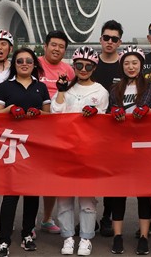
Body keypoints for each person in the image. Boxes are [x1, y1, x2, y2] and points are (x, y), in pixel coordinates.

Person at [0, 47, 52, 257]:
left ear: (34, 64)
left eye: (28, 61)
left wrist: (39, 114)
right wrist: (10, 109)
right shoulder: (5, 86)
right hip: (12, 146)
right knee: (10, 194)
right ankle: (4, 239)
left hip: (34, 146)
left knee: (31, 193)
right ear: (14, 64)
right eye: (20, 61)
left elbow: (49, 116)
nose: (24, 64)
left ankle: (28, 233)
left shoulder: (41, 87)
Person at [52, 46, 110, 256]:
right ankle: (68, 237)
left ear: (94, 68)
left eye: (88, 66)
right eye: (79, 65)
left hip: (88, 152)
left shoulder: (101, 91)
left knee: (87, 200)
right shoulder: (66, 89)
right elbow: (56, 112)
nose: (83, 69)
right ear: (74, 66)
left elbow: (104, 119)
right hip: (65, 151)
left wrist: (97, 113)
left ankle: (86, 238)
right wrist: (60, 91)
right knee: (64, 198)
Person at [107, 46, 151, 256]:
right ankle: (117, 235)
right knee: (118, 192)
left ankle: (144, 236)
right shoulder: (115, 89)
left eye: (135, 63)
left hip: (144, 147)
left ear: (141, 65)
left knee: (143, 193)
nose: (131, 67)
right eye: (127, 63)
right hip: (120, 147)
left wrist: (149, 111)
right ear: (122, 66)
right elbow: (107, 114)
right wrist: (113, 111)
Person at [36, 31, 74, 234]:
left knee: (51, 176)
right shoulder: (34, 64)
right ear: (45, 46)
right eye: (53, 45)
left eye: (61, 46)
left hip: (59, 131)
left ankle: (47, 219)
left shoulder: (68, 70)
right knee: (30, 175)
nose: (57, 49)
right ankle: (28, 222)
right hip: (34, 128)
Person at [91, 20, 124, 236]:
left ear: (119, 42)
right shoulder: (91, 64)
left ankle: (107, 217)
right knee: (91, 177)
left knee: (112, 177)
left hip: (117, 130)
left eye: (114, 39)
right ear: (100, 39)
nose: (109, 42)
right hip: (92, 130)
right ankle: (89, 218)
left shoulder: (125, 65)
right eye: (106, 38)